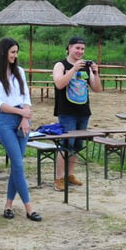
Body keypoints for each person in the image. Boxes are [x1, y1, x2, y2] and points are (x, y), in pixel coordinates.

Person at [0, 38, 42, 221]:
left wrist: (25, 116)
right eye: (12, 52)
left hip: (23, 119)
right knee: (18, 164)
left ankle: (8, 205)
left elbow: (26, 95)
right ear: (3, 52)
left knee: (17, 166)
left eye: (16, 52)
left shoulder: (19, 71)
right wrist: (22, 113)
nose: (15, 55)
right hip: (5, 121)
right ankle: (29, 208)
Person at [51, 36, 102, 192]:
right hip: (66, 111)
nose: (80, 51)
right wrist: (73, 69)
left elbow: (97, 88)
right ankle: (59, 178)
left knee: (77, 146)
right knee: (66, 144)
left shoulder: (86, 67)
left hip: (83, 111)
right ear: (69, 48)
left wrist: (95, 72)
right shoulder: (60, 65)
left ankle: (70, 175)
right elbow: (59, 83)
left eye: (82, 49)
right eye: (77, 48)